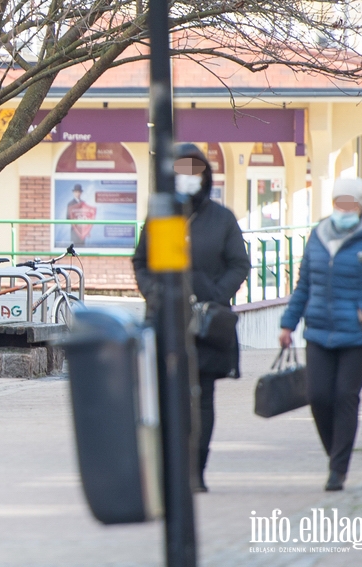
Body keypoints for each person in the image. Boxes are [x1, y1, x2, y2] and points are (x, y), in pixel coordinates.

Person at [132, 144, 250, 493]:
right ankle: (172, 469)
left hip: (208, 323)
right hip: (166, 320)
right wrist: (154, 293)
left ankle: (197, 469)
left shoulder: (221, 218)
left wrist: (214, 294)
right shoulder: (161, 217)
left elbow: (239, 264)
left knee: (204, 398)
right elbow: (141, 262)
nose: (187, 177)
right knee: (169, 396)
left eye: (193, 170)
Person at [279, 177, 362, 492]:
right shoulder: (318, 236)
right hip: (319, 331)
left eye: (350, 203)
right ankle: (335, 455)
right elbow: (305, 284)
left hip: (359, 335)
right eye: (340, 203)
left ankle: (338, 470)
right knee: (319, 396)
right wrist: (288, 323)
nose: (344, 209)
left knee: (344, 397)